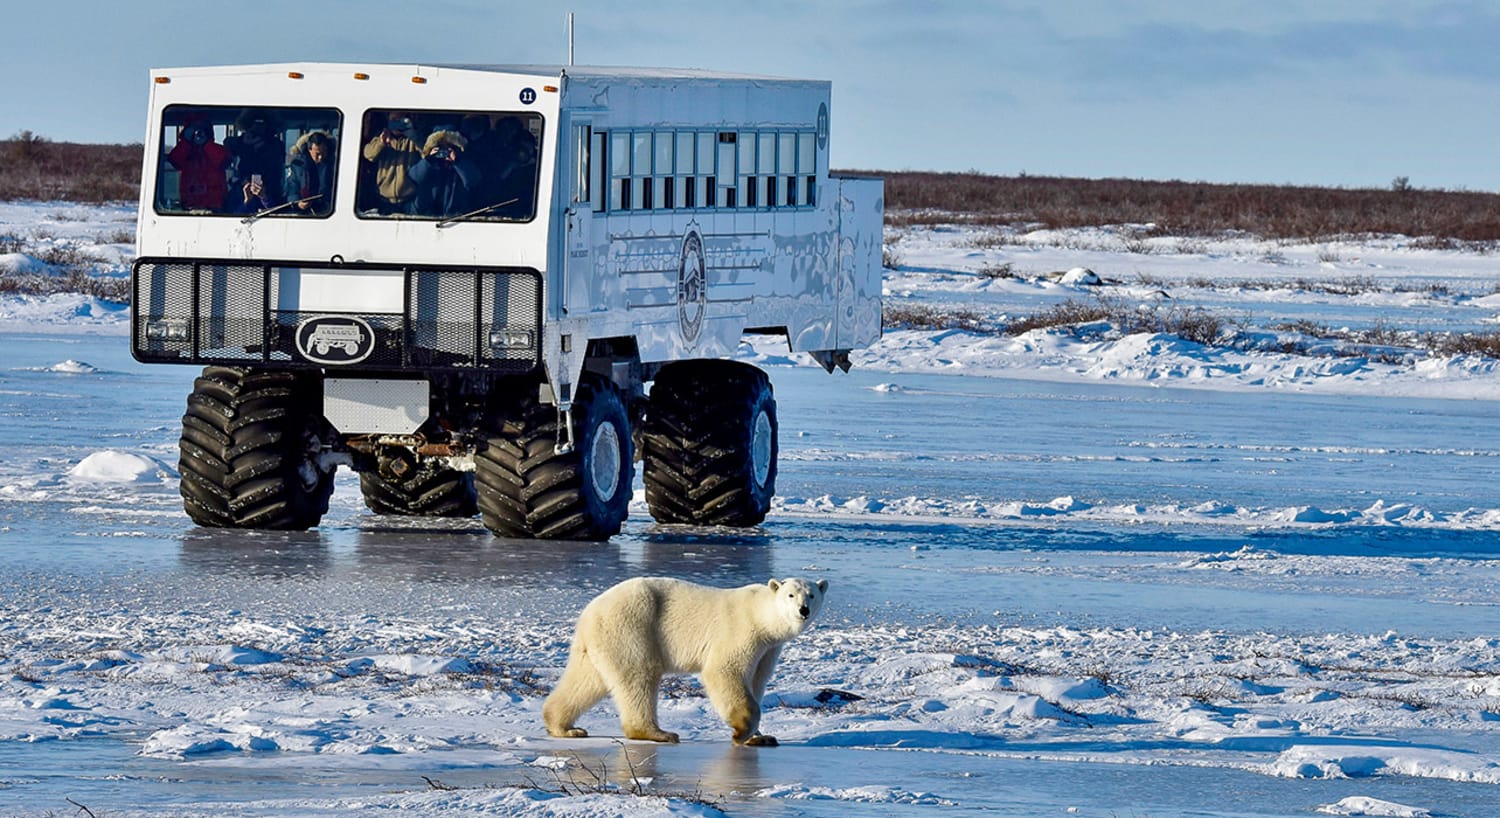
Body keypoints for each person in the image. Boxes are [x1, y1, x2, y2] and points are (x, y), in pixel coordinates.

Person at [409, 129, 481, 217]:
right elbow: (414, 177)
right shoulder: (428, 165)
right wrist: (428, 160)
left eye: (449, 148)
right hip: (425, 215)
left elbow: (473, 181)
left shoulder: (462, 165)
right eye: (440, 148)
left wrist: (457, 162)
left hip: (455, 217)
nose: (444, 152)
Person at [362, 113, 422, 214]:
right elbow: (368, 154)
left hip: (410, 199)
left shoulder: (412, 140)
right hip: (384, 200)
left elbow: (427, 153)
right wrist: (381, 143)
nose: (397, 123)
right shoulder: (381, 137)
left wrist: (414, 137)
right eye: (394, 120)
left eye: (401, 120)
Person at [224, 110, 285, 210]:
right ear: (248, 125)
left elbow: (276, 167)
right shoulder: (241, 142)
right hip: (243, 185)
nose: (258, 127)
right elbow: (227, 144)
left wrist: (264, 145)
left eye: (262, 123)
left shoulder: (275, 145)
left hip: (270, 188)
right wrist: (245, 143)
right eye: (255, 123)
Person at [166, 119, 231, 211]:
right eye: (194, 130)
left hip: (215, 208)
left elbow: (225, 161)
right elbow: (174, 160)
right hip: (189, 208)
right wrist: (186, 142)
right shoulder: (184, 151)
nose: (198, 134)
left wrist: (207, 144)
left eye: (202, 130)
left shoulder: (216, 150)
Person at [283, 131, 335, 215]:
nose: (321, 157)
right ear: (309, 150)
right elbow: (292, 187)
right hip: (303, 214)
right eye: (317, 154)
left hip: (329, 211)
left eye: (324, 152)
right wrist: (298, 203)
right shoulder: (297, 165)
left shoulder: (335, 164)